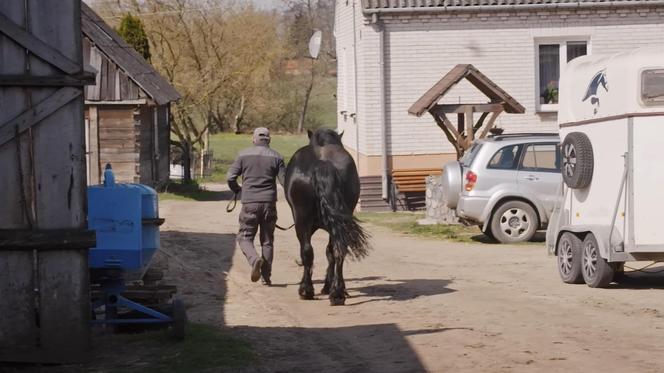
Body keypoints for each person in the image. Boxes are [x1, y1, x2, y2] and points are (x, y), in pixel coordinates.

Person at [227, 127, 286, 286]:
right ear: (269, 140)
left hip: (250, 203)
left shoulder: (243, 155)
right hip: (269, 204)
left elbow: (231, 177)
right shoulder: (277, 157)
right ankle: (266, 277)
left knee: (244, 237)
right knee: (267, 241)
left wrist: (237, 190)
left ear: (253, 140)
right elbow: (285, 182)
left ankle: (254, 260)